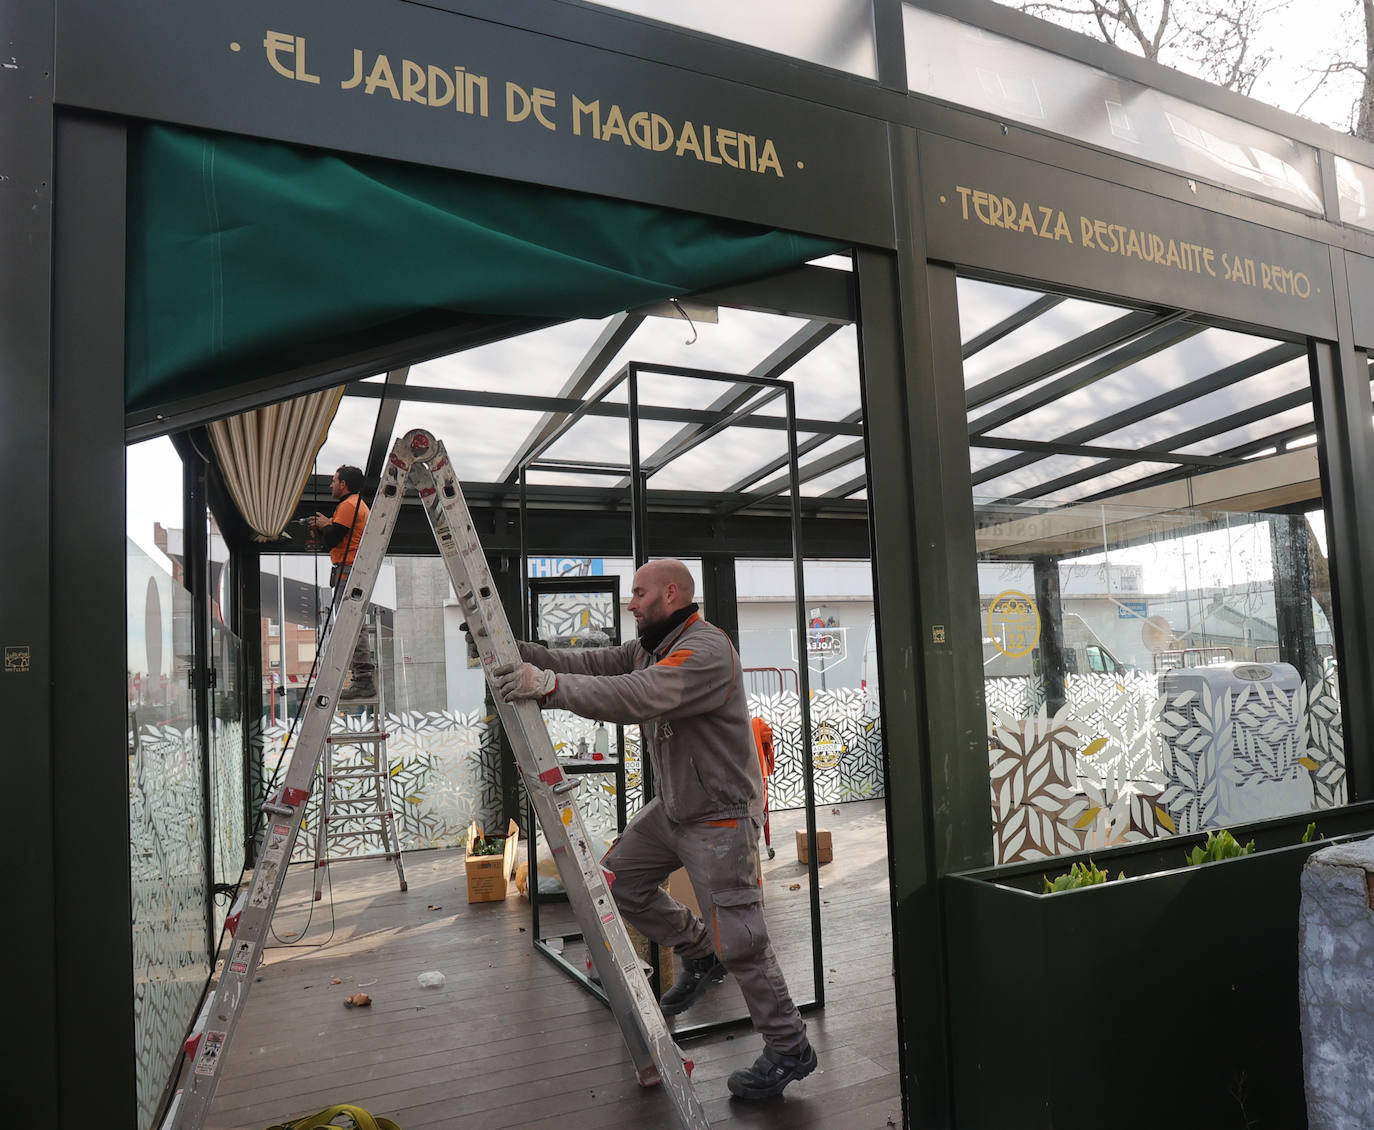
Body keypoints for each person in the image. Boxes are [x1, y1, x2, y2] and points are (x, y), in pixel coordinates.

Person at [490, 558, 817, 1100]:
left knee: (743, 943)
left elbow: (638, 695)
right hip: (675, 808)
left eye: (639, 593)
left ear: (671, 593)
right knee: (613, 881)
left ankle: (789, 1048)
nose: (631, 602)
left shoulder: (705, 651)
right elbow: (595, 664)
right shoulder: (651, 645)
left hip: (720, 816)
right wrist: (518, 652)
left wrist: (546, 686)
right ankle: (695, 947)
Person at [305, 464, 375, 701]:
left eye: (334, 481)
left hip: (349, 569)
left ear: (344, 484)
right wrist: (325, 527)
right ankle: (361, 677)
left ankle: (363, 679)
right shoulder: (354, 505)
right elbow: (333, 540)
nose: (332, 485)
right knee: (352, 623)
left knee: (352, 624)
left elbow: (334, 538)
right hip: (349, 568)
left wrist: (326, 525)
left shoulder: (348, 505)